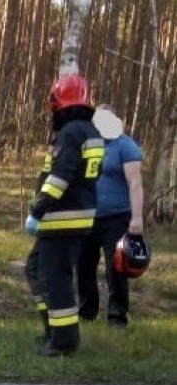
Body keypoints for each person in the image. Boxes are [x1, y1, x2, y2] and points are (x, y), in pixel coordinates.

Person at [23, 73, 105, 356]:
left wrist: (39, 206)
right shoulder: (90, 131)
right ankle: (52, 331)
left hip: (62, 218)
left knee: (54, 279)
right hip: (76, 217)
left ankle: (64, 342)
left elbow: (61, 175)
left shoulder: (70, 133)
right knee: (35, 270)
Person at [77, 104, 144, 328]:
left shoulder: (125, 147)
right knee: (84, 265)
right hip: (88, 216)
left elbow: (135, 183)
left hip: (116, 218)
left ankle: (117, 317)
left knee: (115, 268)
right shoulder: (90, 145)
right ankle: (87, 311)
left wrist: (137, 218)